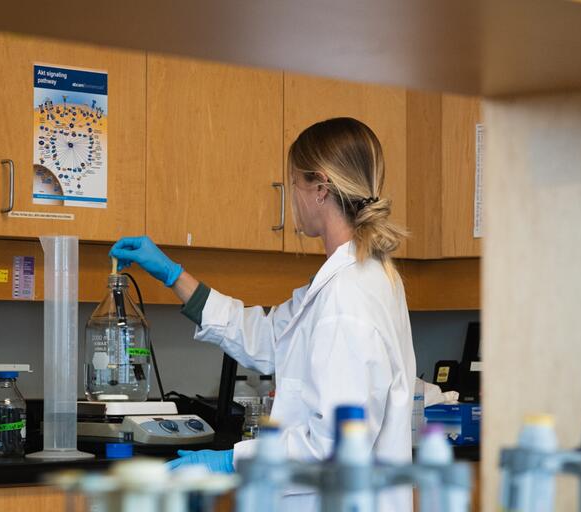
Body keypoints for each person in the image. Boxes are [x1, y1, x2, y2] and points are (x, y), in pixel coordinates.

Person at [110, 117, 416, 511]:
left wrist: (233, 461)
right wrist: (174, 276)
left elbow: (335, 450)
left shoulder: (347, 300)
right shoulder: (358, 279)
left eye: (294, 182)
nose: (292, 196)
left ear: (320, 187)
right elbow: (270, 337)